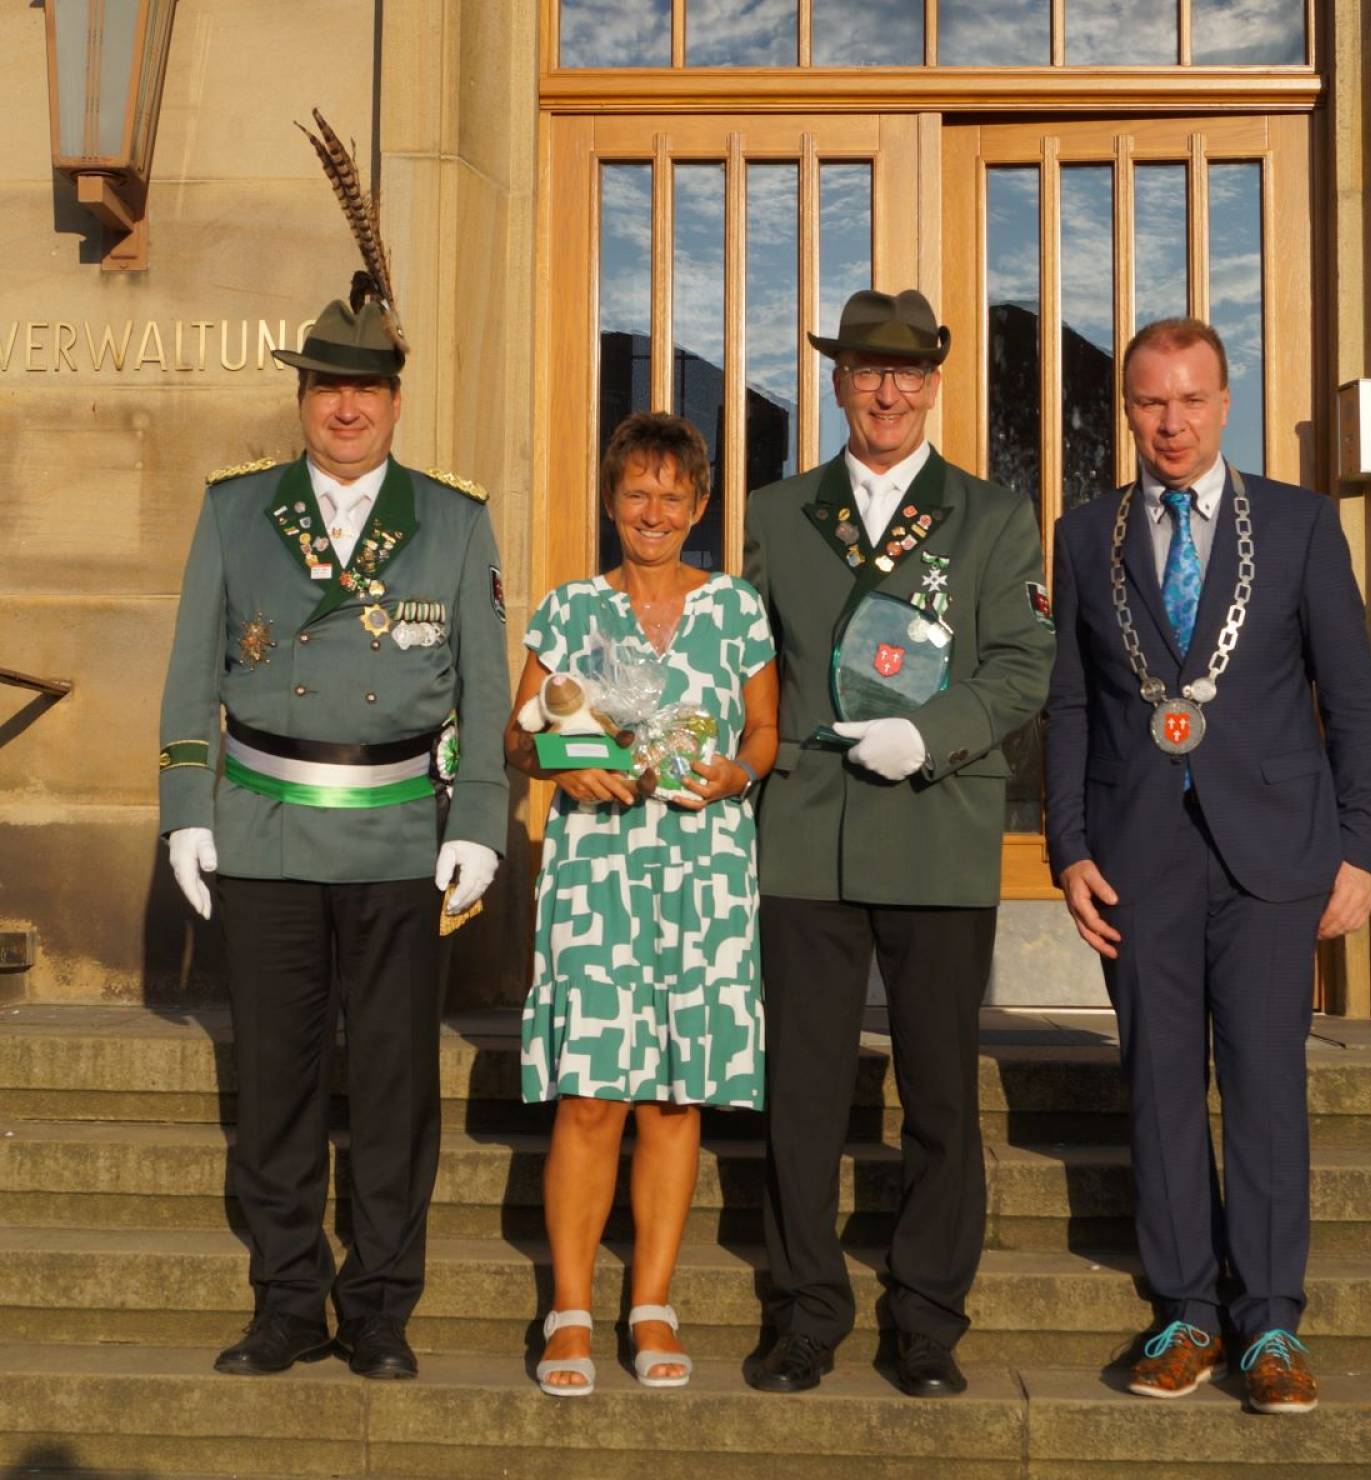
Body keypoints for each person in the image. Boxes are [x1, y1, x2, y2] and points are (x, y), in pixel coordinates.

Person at [157, 288, 511, 1380]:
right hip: (262, 831)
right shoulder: (234, 510)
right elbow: (190, 676)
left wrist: (483, 815)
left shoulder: (451, 519)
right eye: (326, 387)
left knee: (398, 1084)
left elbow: (485, 686)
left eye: (365, 387)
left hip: (402, 831)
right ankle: (285, 1300)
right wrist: (185, 810)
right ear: (301, 397)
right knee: (275, 1082)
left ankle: (381, 1307)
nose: (345, 407)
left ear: (395, 401)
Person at [1044, 317, 1371, 1414]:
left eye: (1191, 399)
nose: (1172, 422)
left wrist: (1361, 847)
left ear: (1225, 402)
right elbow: (1070, 705)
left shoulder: (1297, 525)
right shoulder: (1084, 532)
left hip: (1277, 852)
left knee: (1267, 1087)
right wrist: (1068, 846)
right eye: (1151, 401)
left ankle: (1272, 1322)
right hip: (1138, 855)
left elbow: (1355, 696)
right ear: (1129, 412)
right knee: (1156, 1086)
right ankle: (1186, 1311)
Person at [743, 289, 1055, 1397]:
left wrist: (926, 732)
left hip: (935, 830)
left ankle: (926, 1314)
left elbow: (1023, 663)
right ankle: (807, 1309)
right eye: (868, 371)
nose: (888, 391)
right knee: (805, 1093)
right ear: (837, 382)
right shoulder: (777, 513)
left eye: (909, 373)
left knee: (937, 1092)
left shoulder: (991, 514)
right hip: (809, 838)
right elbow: (747, 670)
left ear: (934, 385)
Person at [507, 412, 778, 1397]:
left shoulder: (739, 608)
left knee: (674, 1096)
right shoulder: (570, 608)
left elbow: (764, 731)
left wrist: (737, 775)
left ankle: (652, 1301)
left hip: (703, 869)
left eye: (672, 496)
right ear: (612, 501)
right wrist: (566, 769)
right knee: (590, 1096)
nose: (653, 511)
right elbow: (518, 737)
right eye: (636, 493)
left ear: (699, 507)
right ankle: (570, 1311)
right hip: (598, 876)